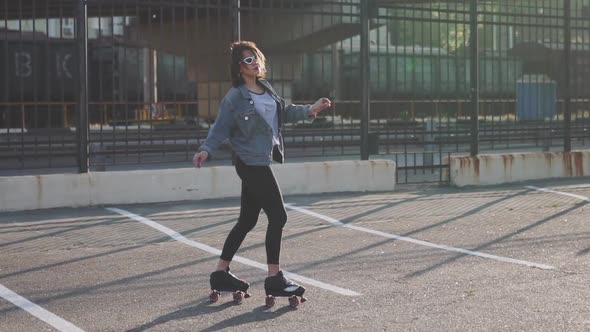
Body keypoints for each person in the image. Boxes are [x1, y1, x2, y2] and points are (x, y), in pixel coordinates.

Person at [192, 41, 331, 304]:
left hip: (261, 161)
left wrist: (311, 109)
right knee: (278, 216)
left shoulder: (266, 89)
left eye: (255, 57)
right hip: (249, 162)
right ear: (238, 68)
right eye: (247, 60)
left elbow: (283, 113)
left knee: (247, 221)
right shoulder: (235, 97)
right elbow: (220, 127)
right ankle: (274, 278)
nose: (254, 62)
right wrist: (205, 149)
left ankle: (221, 273)